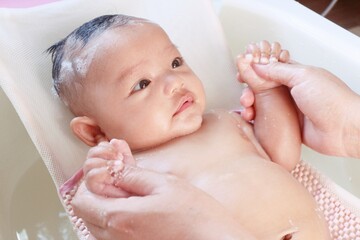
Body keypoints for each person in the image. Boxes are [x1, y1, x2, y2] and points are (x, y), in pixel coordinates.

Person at [47, 14, 330, 239]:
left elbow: (282, 158)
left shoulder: (223, 121)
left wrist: (268, 91)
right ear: (96, 132)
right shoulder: (131, 170)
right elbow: (122, 226)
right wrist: (103, 182)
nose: (175, 82)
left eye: (175, 62)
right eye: (142, 84)